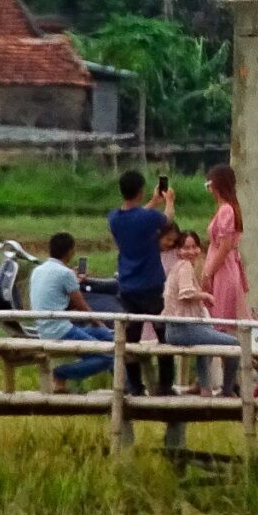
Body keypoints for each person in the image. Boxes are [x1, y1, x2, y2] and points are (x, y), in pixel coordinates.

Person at [106, 169, 172, 397]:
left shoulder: (114, 217)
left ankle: (135, 385)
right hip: (151, 285)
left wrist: (154, 201)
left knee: (131, 338)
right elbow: (168, 219)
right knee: (164, 337)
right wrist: (168, 201)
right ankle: (165, 386)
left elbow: (136, 217)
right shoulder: (148, 218)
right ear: (141, 190)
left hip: (127, 285)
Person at [27, 231, 115, 384]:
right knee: (106, 356)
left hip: (44, 329)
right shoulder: (65, 273)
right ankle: (61, 374)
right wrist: (99, 323)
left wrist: (75, 282)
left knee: (107, 336)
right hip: (60, 330)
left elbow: (59, 302)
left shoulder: (38, 270)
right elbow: (82, 306)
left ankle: (124, 383)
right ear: (70, 251)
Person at [160, 228, 239, 394]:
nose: (191, 252)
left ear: (198, 249)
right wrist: (206, 296)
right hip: (182, 329)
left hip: (175, 329)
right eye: (186, 248)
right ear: (178, 251)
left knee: (206, 340)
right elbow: (186, 293)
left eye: (194, 247)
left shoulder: (178, 267)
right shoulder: (185, 266)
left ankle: (204, 387)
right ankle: (228, 389)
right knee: (234, 344)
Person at [200, 164, 249, 370]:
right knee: (216, 322)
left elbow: (225, 245)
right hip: (221, 267)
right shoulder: (225, 208)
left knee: (220, 324)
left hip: (223, 269)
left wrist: (208, 272)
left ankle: (227, 378)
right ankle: (214, 375)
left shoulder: (226, 209)